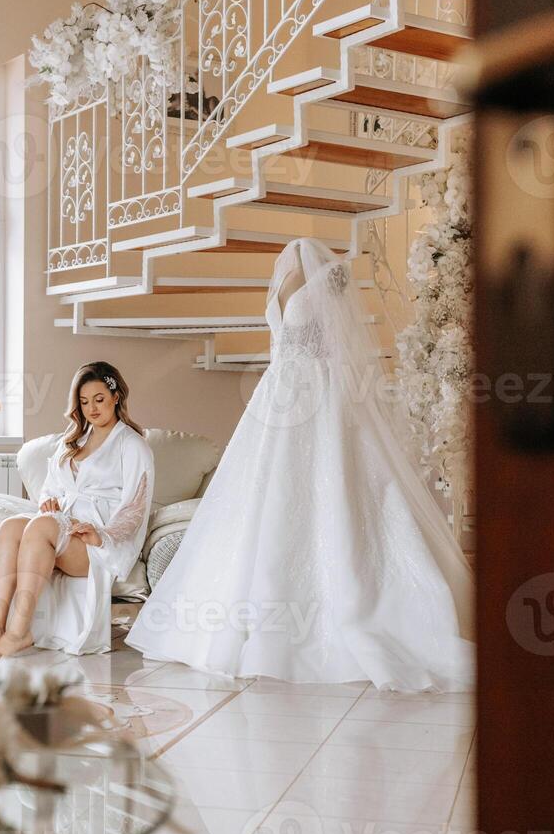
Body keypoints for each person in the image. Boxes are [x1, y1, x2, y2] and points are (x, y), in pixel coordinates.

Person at [126, 239, 474, 691]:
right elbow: (282, 344)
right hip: (279, 397)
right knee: (266, 500)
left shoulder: (329, 277)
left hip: (322, 393)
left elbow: (341, 343)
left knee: (332, 492)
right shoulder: (284, 280)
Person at [0, 362, 154, 659]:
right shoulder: (72, 441)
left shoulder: (132, 445)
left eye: (99, 399)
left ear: (116, 397)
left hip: (99, 544)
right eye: (84, 402)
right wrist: (50, 503)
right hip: (65, 529)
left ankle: (18, 632)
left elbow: (135, 507)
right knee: (11, 526)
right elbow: (51, 489)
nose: (92, 409)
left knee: (41, 527)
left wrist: (101, 534)